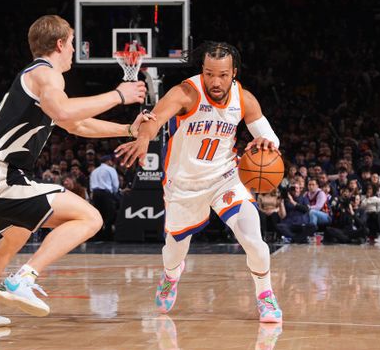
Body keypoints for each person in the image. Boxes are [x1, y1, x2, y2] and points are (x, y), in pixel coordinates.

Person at [0, 15, 148, 329]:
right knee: (90, 218)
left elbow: (76, 123)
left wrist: (127, 128)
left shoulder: (42, 80)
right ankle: (23, 279)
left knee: (12, 240)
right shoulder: (46, 74)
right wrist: (119, 95)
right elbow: (64, 112)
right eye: (71, 44)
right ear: (60, 43)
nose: (73, 51)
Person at [116, 41, 283, 323]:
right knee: (173, 253)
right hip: (184, 185)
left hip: (225, 178)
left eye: (222, 75)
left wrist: (267, 143)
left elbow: (270, 137)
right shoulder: (185, 93)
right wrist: (144, 137)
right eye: (208, 74)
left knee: (254, 240)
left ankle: (265, 295)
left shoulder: (244, 99)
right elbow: (153, 120)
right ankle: (170, 276)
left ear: (234, 73)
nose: (214, 81)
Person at [89, 154, 120, 239]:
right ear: (108, 161)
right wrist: (115, 193)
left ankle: (98, 235)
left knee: (98, 215)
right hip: (106, 194)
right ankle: (107, 235)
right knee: (109, 214)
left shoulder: (94, 171)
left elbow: (91, 184)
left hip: (95, 194)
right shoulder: (110, 169)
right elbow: (115, 184)